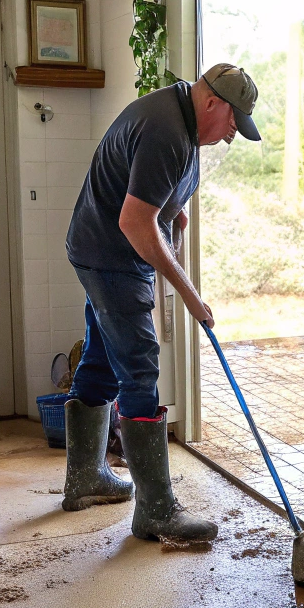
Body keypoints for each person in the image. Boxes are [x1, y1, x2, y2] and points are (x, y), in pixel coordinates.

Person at [60, 63, 261, 543]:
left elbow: (152, 194)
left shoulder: (179, 118)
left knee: (102, 359)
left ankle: (85, 479)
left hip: (98, 249)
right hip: (112, 255)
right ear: (212, 102)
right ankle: (155, 511)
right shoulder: (167, 131)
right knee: (139, 367)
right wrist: (190, 294)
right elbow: (134, 222)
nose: (233, 134)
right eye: (233, 121)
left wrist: (176, 214)